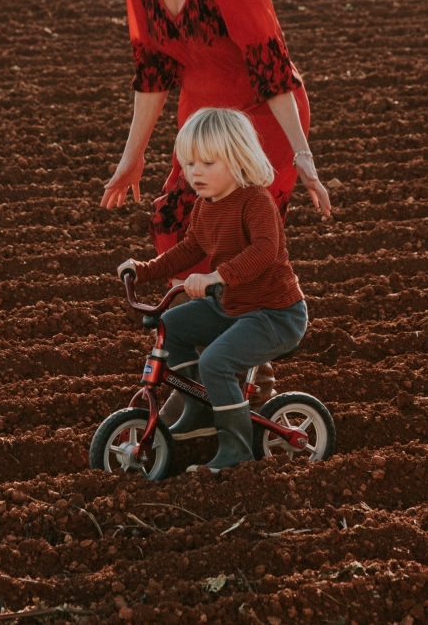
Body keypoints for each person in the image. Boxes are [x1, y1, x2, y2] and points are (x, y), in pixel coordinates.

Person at [92, 0, 331, 245]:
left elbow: (271, 68)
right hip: (201, 124)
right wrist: (131, 158)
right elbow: (153, 77)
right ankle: (193, 308)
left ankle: (258, 308)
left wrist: (302, 156)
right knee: (172, 230)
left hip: (257, 120)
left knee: (231, 239)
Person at [118, 107, 307, 473]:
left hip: (275, 313)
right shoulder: (206, 206)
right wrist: (143, 271)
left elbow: (264, 251)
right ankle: (201, 407)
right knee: (171, 325)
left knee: (216, 361)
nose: (194, 173)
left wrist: (217, 277)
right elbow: (190, 249)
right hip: (232, 306)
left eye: (207, 162)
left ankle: (236, 450)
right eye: (188, 164)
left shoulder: (255, 201)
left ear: (237, 159)